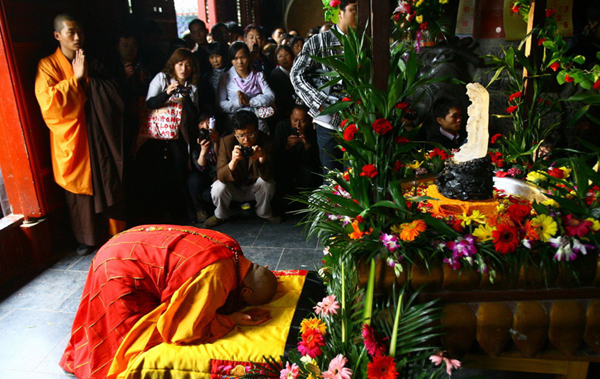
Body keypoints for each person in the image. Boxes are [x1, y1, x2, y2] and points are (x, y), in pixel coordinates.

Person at [59, 225, 278, 379]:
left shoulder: (232, 248)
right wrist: (230, 320)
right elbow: (183, 330)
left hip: (130, 240)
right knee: (129, 339)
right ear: (246, 291)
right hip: (119, 267)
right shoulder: (217, 275)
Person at [35, 14, 125, 256]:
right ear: (57, 35)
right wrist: (76, 79)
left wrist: (91, 80)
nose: (77, 38)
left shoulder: (89, 59)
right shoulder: (47, 66)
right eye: (71, 32)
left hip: (97, 135)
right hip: (72, 139)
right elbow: (49, 104)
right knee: (79, 192)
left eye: (80, 33)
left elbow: (112, 89)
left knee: (106, 180)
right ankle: (87, 238)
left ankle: (114, 232)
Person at [291, 0, 357, 176]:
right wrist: (318, 102)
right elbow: (297, 74)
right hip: (328, 120)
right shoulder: (319, 41)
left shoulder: (365, 42)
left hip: (357, 120)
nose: (358, 16)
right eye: (354, 10)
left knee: (355, 177)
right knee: (332, 178)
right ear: (340, 13)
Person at [134, 48, 199, 224]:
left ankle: (181, 214)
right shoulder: (162, 78)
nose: (183, 68)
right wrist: (167, 93)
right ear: (173, 64)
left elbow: (194, 116)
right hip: (156, 137)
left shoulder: (191, 87)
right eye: (180, 64)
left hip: (177, 137)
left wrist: (186, 98)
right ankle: (160, 215)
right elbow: (150, 104)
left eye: (188, 65)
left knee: (179, 175)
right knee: (158, 175)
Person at [205, 110, 279, 227]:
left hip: (254, 187)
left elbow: (269, 176)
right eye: (241, 135)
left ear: (257, 130)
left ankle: (264, 212)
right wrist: (233, 162)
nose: (246, 140)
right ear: (234, 133)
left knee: (267, 184)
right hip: (234, 187)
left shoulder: (267, 141)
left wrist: (262, 158)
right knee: (218, 187)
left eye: (250, 134)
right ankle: (220, 215)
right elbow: (220, 176)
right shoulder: (226, 142)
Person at [217, 42, 275, 134]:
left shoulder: (258, 75)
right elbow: (221, 104)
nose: (239, 62)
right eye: (235, 58)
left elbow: (271, 96)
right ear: (231, 60)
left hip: (258, 123)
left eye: (243, 57)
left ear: (248, 57)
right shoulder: (225, 77)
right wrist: (239, 103)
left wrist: (250, 101)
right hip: (237, 125)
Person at [273, 105, 321, 201]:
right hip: (286, 163)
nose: (297, 125)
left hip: (305, 165)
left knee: (308, 172)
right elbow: (276, 154)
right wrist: (287, 146)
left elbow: (316, 159)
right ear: (290, 116)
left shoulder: (314, 130)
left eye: (302, 121)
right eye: (295, 120)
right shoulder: (282, 126)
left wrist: (307, 145)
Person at [188, 109, 220, 222]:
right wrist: (203, 151)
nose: (205, 126)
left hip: (218, 176)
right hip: (204, 177)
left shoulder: (221, 138)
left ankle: (218, 211)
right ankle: (199, 210)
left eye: (208, 122)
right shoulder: (195, 142)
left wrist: (216, 143)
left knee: (209, 195)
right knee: (193, 179)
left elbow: (221, 162)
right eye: (202, 123)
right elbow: (200, 167)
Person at [269, 44, 296, 129]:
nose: (284, 59)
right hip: (284, 114)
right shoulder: (275, 74)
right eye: (280, 56)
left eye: (286, 55)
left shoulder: (296, 71)